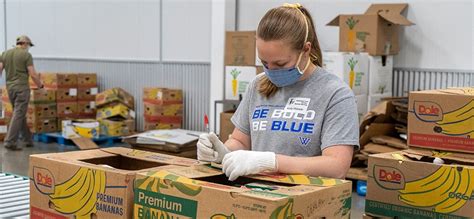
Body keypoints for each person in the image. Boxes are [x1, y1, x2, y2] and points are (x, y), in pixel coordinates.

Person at [198, 3, 359, 181]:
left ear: (306, 50)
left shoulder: (335, 94)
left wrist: (271, 161)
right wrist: (223, 153)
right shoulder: (257, 86)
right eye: (265, 63)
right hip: (258, 195)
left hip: (307, 200)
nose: (271, 71)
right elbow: (240, 141)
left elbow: (336, 167)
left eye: (280, 64)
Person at [0, 35, 43, 150]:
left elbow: (0, 69)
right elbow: (33, 74)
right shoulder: (26, 55)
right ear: (24, 43)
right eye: (28, 45)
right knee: (19, 113)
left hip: (10, 88)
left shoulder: (5, 54)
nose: (28, 48)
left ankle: (27, 139)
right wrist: (41, 86)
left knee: (19, 113)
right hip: (22, 89)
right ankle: (9, 142)